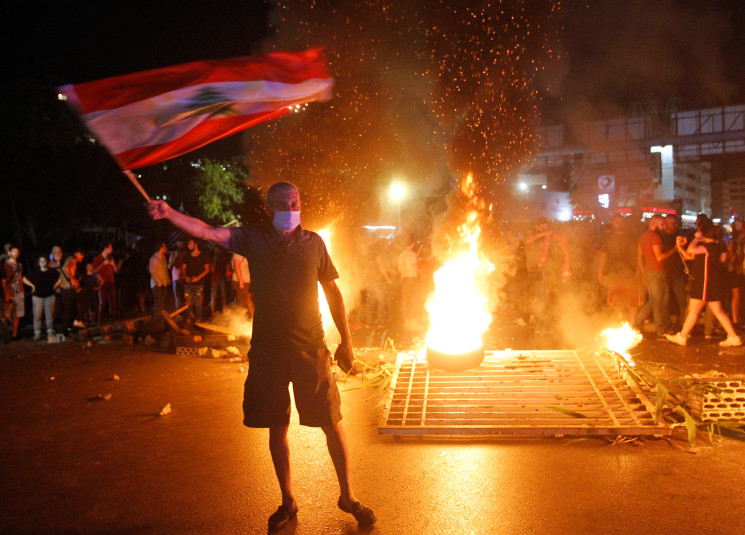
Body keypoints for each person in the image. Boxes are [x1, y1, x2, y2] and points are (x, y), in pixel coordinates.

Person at [147, 181, 375, 530]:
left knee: (331, 422)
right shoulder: (253, 239)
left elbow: (333, 291)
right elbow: (208, 231)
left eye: (296, 201)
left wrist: (346, 341)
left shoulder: (314, 243)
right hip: (267, 350)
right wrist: (169, 213)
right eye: (284, 203)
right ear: (270, 208)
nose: (291, 208)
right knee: (276, 425)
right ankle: (288, 500)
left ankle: (348, 496)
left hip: (310, 348)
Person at [666, 221, 742, 347]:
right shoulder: (714, 246)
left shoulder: (709, 247)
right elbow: (690, 256)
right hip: (709, 283)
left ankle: (682, 336)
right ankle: (733, 337)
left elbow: (691, 250)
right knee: (717, 311)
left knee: (694, 311)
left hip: (704, 283)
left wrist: (696, 238)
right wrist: (679, 248)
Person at [634, 214, 675, 338]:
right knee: (658, 301)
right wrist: (675, 250)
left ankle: (638, 324)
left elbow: (639, 257)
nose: (664, 227)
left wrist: (643, 272)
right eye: (662, 224)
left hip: (649, 272)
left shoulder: (642, 236)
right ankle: (660, 329)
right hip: (657, 272)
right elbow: (659, 257)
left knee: (654, 300)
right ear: (655, 224)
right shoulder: (656, 237)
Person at [597, 214, 639, 325]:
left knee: (632, 300)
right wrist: (600, 272)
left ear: (625, 223)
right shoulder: (608, 238)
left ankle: (632, 325)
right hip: (613, 274)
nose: (618, 223)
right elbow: (603, 255)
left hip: (629, 273)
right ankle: (618, 323)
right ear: (613, 223)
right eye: (616, 221)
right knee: (616, 300)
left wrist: (639, 271)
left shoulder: (632, 237)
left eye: (620, 221)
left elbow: (638, 255)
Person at [660, 214, 689, 328]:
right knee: (665, 300)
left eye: (675, 223)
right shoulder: (661, 236)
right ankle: (666, 324)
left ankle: (685, 322)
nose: (674, 225)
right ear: (666, 223)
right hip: (665, 271)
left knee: (682, 299)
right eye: (672, 223)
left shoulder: (679, 235)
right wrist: (675, 249)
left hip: (678, 272)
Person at [22, 255, 60, 340]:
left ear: (47, 262)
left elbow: (60, 277)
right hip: (37, 295)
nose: (42, 263)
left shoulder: (52, 272)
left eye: (44, 261)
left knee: (49, 314)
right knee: (37, 315)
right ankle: (37, 332)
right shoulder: (35, 272)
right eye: (40, 261)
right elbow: (24, 278)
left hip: (49, 295)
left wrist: (55, 285)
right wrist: (32, 286)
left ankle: (50, 330)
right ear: (38, 263)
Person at [182, 239, 210, 321]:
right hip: (188, 283)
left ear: (196, 245)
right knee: (188, 301)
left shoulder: (204, 256)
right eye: (188, 244)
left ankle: (198, 319)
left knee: (199, 302)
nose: (188, 245)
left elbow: (207, 269)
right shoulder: (187, 256)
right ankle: (188, 318)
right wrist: (185, 276)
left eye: (190, 243)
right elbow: (183, 268)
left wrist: (198, 278)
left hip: (199, 283)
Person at [58, 250, 84, 333]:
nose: (82, 258)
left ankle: (66, 328)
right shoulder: (73, 259)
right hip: (68, 288)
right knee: (85, 299)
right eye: (82, 256)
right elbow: (66, 268)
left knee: (68, 309)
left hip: (64, 288)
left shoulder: (68, 259)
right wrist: (72, 279)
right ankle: (77, 320)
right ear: (78, 253)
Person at [92, 243, 119, 323]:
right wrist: (103, 264)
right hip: (102, 283)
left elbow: (116, 271)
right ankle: (100, 320)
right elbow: (94, 271)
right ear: (105, 248)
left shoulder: (111, 258)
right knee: (102, 302)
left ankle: (113, 319)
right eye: (110, 248)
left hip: (111, 282)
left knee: (113, 301)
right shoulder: (97, 259)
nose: (111, 250)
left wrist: (113, 265)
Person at [2, 246, 25, 339]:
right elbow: (4, 280)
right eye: (14, 251)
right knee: (6, 314)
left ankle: (14, 334)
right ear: (9, 252)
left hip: (18, 291)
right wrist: (5, 292)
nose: (16, 253)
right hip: (9, 290)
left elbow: (19, 277)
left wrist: (22, 289)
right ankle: (6, 334)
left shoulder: (19, 264)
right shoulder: (5, 265)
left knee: (17, 314)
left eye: (17, 251)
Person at [149, 242, 171, 315]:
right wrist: (159, 282)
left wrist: (167, 279)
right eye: (164, 247)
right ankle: (157, 317)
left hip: (164, 283)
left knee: (163, 300)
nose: (166, 249)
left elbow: (165, 269)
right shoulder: (154, 258)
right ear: (161, 248)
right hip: (157, 284)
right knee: (158, 301)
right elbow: (152, 271)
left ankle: (161, 316)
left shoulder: (163, 257)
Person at [231, 252, 254, 317]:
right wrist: (241, 281)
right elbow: (237, 266)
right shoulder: (239, 254)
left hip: (247, 281)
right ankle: (240, 319)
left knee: (248, 299)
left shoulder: (244, 253)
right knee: (242, 301)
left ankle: (252, 317)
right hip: (241, 281)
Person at [168, 238, 188, 310]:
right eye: (179, 245)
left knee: (187, 297)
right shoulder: (173, 254)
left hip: (186, 278)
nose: (180, 247)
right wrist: (176, 256)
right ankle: (179, 314)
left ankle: (188, 313)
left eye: (182, 245)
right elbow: (170, 266)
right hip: (176, 279)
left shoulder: (186, 254)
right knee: (178, 297)